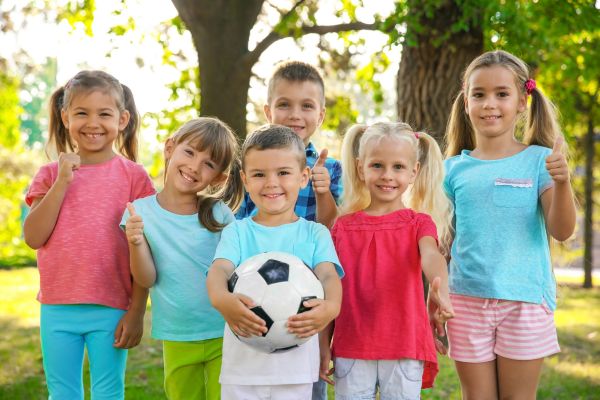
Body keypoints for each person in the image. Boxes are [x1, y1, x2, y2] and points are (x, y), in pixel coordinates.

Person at [444, 50, 576, 399]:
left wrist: (562, 183)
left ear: (521, 101)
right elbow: (442, 241)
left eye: (502, 94)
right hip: (466, 300)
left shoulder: (539, 161)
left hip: (525, 300)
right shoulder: (452, 169)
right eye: (479, 94)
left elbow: (562, 231)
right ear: (466, 100)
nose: (490, 104)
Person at [23, 70, 155, 399]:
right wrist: (62, 182)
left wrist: (137, 311)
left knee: (108, 392)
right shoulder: (50, 174)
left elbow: (145, 249)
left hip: (111, 305)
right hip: (57, 305)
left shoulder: (134, 177)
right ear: (66, 116)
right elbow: (33, 237)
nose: (92, 122)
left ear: (122, 119)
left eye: (104, 114)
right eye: (82, 112)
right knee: (62, 393)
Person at [207, 124, 344, 400]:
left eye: (283, 173)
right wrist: (221, 299)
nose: (271, 183)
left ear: (304, 177)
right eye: (259, 174)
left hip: (295, 369)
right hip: (242, 368)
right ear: (245, 180)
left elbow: (329, 276)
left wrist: (331, 307)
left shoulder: (314, 233)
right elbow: (218, 271)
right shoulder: (238, 231)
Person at [321, 122, 454, 399]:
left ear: (413, 171)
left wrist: (441, 288)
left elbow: (431, 254)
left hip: (404, 344)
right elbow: (330, 288)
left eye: (398, 167)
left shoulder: (419, 223)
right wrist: (323, 343)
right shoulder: (343, 227)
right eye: (377, 165)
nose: (387, 176)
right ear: (360, 168)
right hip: (352, 345)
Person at [121, 117, 244, 400]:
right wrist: (136, 242)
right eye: (189, 152)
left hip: (224, 331)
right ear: (170, 148)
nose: (194, 166)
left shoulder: (220, 215)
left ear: (219, 178)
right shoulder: (139, 213)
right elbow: (146, 278)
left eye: (209, 163)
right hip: (177, 333)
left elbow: (237, 271)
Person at [236, 60, 342, 229]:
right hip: (257, 251)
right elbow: (236, 222)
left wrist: (323, 192)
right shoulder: (250, 165)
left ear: (320, 116)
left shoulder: (333, 169)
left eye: (307, 106)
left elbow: (333, 228)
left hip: (307, 254)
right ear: (269, 112)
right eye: (284, 105)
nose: (295, 115)